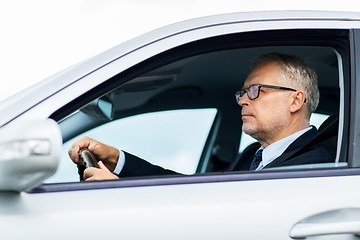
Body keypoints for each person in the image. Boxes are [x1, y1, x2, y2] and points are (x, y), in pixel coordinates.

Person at [68, 53, 334, 181]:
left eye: (255, 91)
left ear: (296, 100)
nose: (242, 100)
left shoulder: (316, 165)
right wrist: (117, 160)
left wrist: (123, 195)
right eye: (242, 92)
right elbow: (190, 190)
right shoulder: (252, 155)